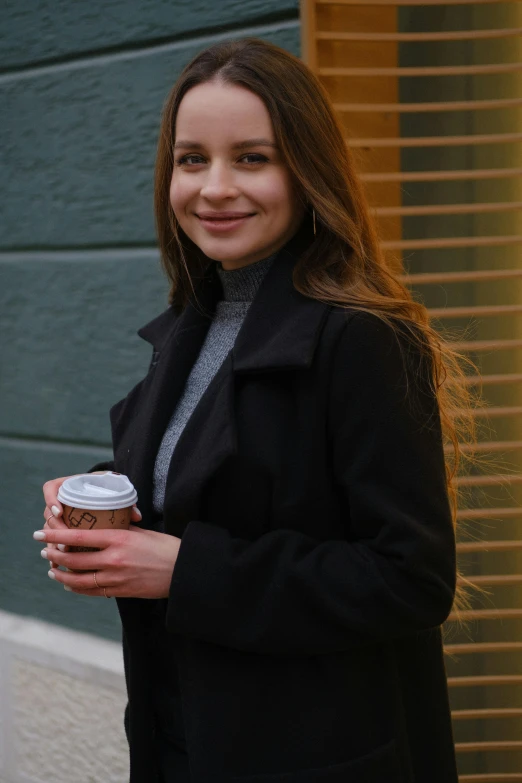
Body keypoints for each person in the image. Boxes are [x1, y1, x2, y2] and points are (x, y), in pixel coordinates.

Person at [36, 37, 473, 783]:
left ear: (307, 170)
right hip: (184, 736)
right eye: (192, 158)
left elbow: (411, 578)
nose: (214, 187)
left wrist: (185, 569)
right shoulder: (193, 321)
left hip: (316, 755)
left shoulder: (362, 337)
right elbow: (232, 474)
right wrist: (107, 496)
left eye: (252, 157)